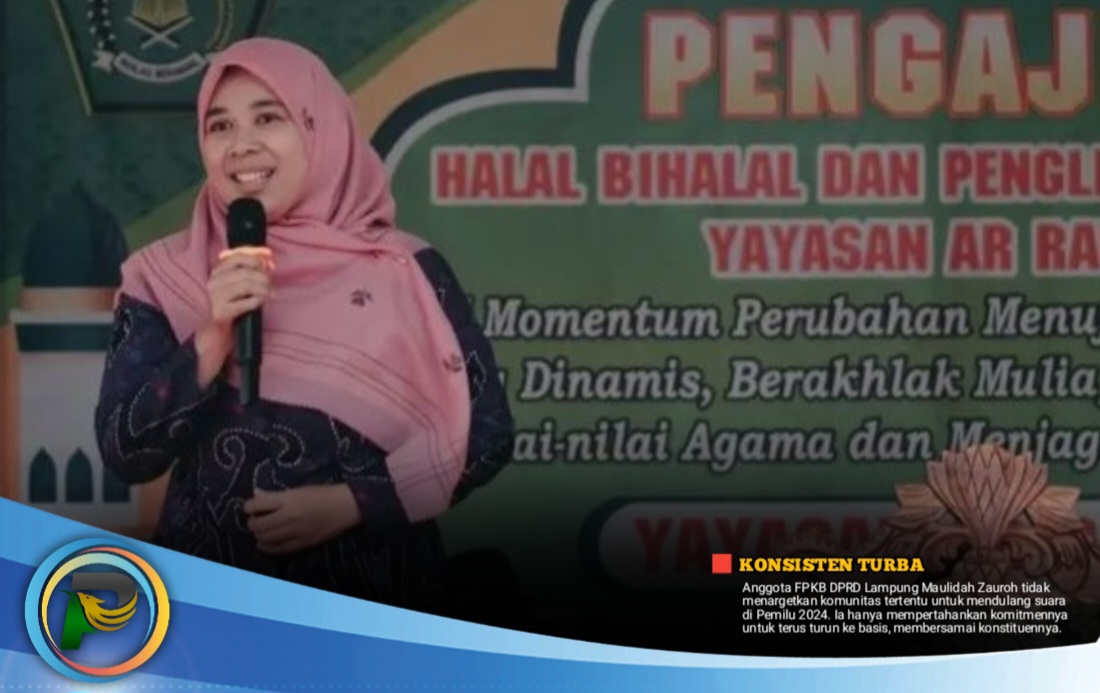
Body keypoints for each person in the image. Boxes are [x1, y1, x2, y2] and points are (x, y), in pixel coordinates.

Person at [94, 37, 515, 610]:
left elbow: (485, 433)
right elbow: (125, 452)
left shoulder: (404, 270)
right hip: (213, 611)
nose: (241, 144)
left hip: (375, 610)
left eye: (268, 118)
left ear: (321, 128)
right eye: (220, 126)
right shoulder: (165, 276)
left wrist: (354, 503)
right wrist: (212, 338)